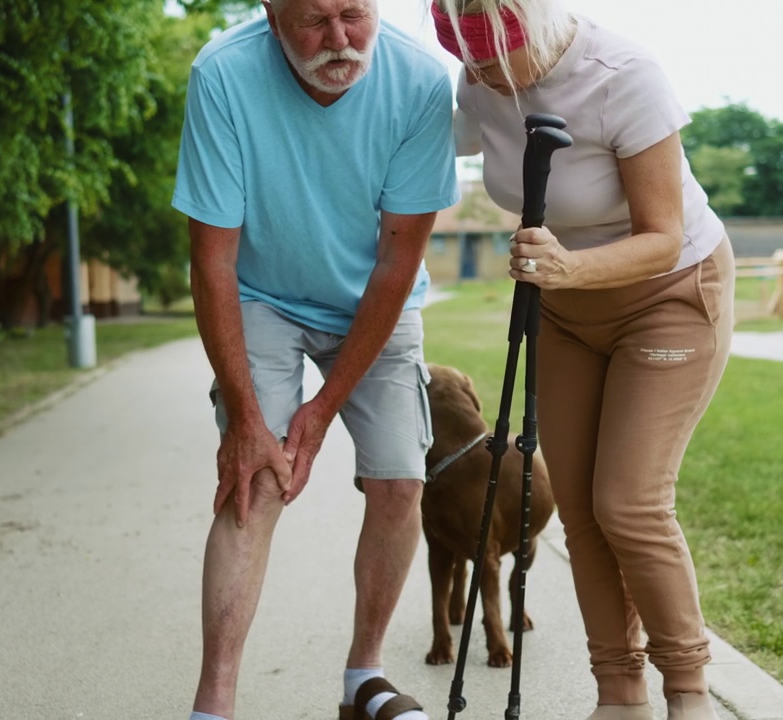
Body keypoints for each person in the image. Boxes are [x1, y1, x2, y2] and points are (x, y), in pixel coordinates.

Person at [429, 2, 735, 719]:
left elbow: (662, 236)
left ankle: (689, 693)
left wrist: (565, 269)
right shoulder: (480, 78)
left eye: (500, 63)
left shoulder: (624, 75)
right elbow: (430, 140)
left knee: (628, 503)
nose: (488, 82)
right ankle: (619, 694)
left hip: (667, 293)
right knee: (578, 515)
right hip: (565, 308)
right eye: (471, 64)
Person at [170, 0, 459, 718]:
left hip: (374, 299)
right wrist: (245, 419)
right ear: (272, 15)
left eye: (353, 15)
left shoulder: (422, 82)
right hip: (262, 296)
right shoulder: (223, 76)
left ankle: (364, 677)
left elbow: (398, 262)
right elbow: (212, 261)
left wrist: (324, 408)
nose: (338, 40)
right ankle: (215, 701)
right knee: (256, 477)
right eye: (313, 21)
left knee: (399, 479)